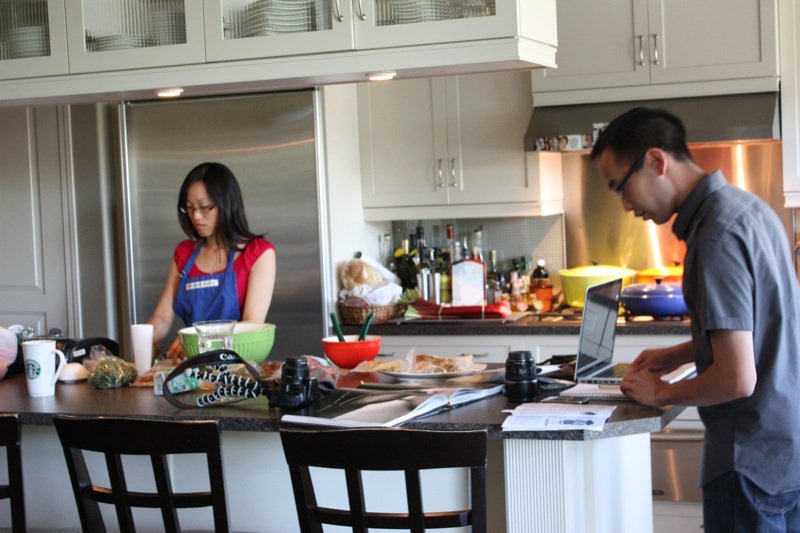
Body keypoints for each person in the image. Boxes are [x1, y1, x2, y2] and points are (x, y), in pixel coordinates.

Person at [591, 107, 800, 532]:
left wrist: (663, 392)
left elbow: (737, 378)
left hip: (748, 462)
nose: (626, 204)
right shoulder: (749, 208)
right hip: (786, 451)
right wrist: (677, 354)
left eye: (621, 187)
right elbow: (764, 326)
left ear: (656, 161)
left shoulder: (712, 237)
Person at [148, 162, 276, 360]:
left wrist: (197, 341)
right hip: (192, 369)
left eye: (205, 207)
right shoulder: (184, 254)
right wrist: (143, 338)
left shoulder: (258, 253)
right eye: (189, 208)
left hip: (238, 367)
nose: (196, 216)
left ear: (227, 204)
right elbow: (162, 316)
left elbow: (252, 325)